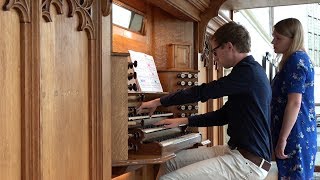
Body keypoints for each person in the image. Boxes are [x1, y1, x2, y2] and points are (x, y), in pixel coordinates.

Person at [137, 21, 272, 180]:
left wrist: (159, 101)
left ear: (229, 46)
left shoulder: (248, 73)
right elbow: (223, 115)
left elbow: (203, 92)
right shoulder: (248, 71)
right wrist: (185, 120)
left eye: (214, 52)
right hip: (236, 151)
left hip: (247, 163)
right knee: (171, 162)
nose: (214, 58)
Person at [270, 18, 316, 179]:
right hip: (298, 133)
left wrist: (282, 139)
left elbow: (295, 103)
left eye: (278, 38)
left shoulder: (296, 60)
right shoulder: (299, 59)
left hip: (295, 135)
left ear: (293, 39)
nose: (273, 41)